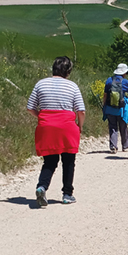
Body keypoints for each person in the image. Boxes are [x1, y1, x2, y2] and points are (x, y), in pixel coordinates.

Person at [27, 56, 86, 208]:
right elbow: (81, 111)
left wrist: (41, 116)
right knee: (68, 161)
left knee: (50, 161)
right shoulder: (72, 86)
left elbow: (30, 107)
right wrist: (80, 126)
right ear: (68, 71)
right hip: (67, 126)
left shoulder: (41, 84)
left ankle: (42, 187)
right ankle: (67, 194)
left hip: (47, 125)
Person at [103, 63, 128, 154]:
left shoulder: (109, 80)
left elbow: (105, 95)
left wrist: (104, 105)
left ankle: (113, 146)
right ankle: (125, 145)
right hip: (121, 109)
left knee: (112, 127)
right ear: (124, 73)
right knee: (123, 126)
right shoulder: (125, 82)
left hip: (110, 107)